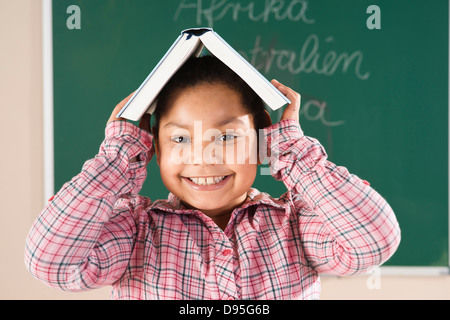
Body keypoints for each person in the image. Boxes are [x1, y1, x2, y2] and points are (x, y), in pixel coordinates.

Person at [25, 55, 400, 299]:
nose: (204, 156)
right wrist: (119, 155)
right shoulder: (136, 231)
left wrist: (291, 148)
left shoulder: (294, 226)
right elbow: (53, 266)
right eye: (181, 138)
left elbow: (372, 244)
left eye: (226, 136)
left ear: (261, 140)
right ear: (154, 148)